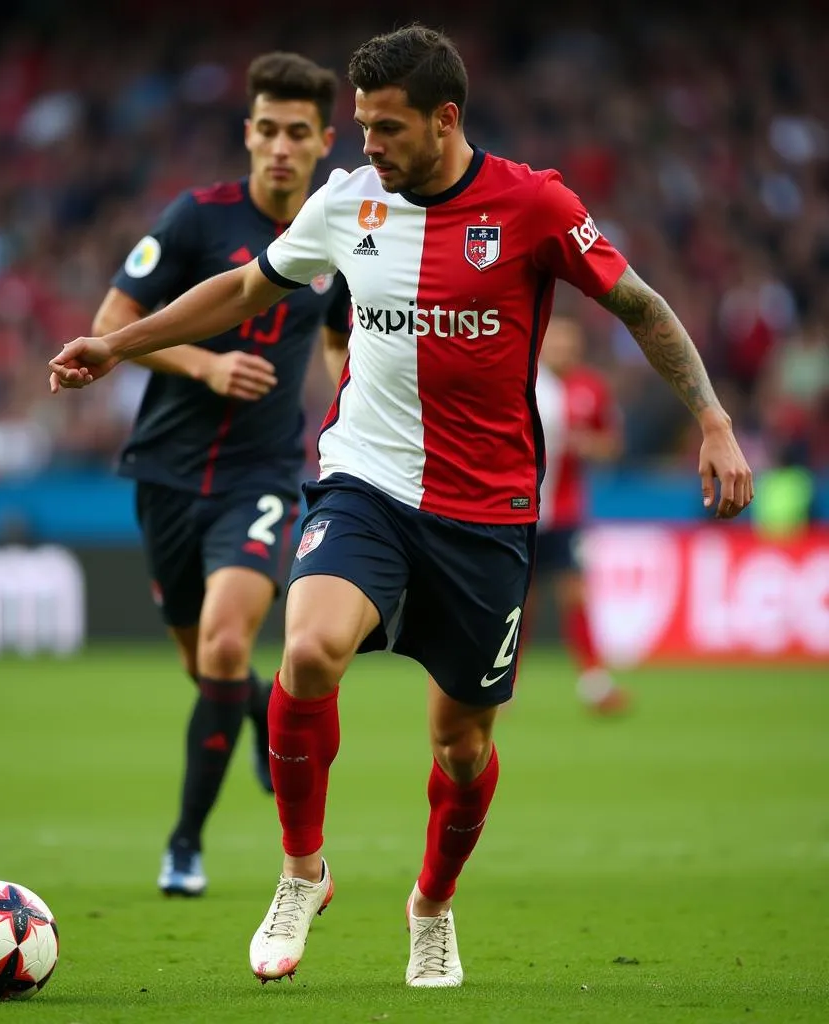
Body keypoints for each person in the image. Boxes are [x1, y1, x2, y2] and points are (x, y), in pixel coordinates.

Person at [48, 25, 754, 988]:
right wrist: (119, 348)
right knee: (305, 649)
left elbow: (641, 306)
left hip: (489, 513)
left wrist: (712, 418)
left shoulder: (534, 205)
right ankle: (303, 871)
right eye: (362, 125)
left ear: (445, 119)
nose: (365, 145)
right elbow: (245, 286)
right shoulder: (347, 204)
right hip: (366, 483)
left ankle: (432, 904)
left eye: (385, 128)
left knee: (460, 748)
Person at [90, 52, 350, 898]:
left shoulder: (338, 235)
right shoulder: (197, 220)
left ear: (323, 141)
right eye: (267, 130)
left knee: (229, 642)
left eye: (297, 133)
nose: (280, 147)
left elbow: (349, 349)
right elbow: (112, 322)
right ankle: (253, 722)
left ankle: (184, 845)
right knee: (209, 668)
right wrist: (206, 368)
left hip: (264, 476)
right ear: (248, 133)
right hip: (166, 473)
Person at [534, 315, 629, 713]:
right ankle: (505, 687)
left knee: (574, 593)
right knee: (522, 601)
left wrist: (584, 444)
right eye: (555, 343)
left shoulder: (591, 388)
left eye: (569, 344)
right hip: (520, 509)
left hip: (567, 510)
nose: (562, 350)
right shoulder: (526, 383)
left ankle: (594, 682)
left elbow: (611, 445)